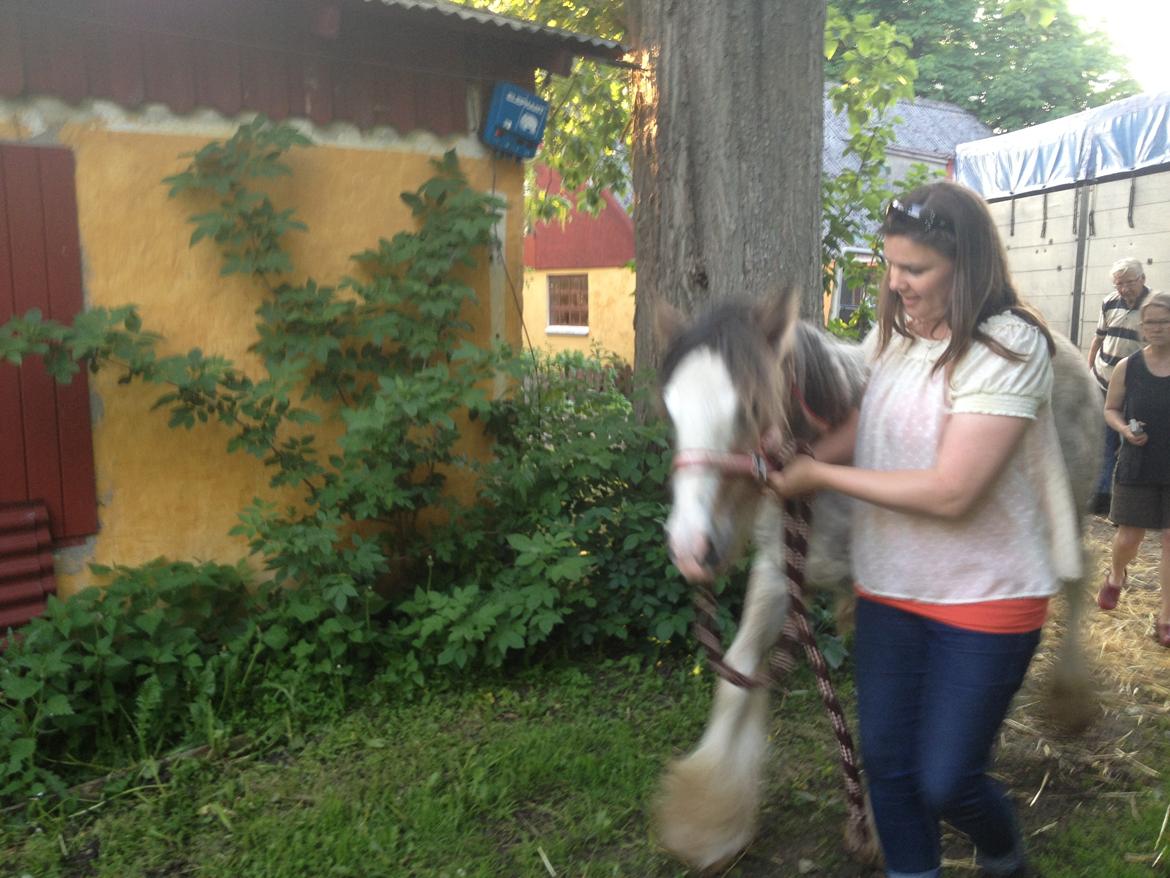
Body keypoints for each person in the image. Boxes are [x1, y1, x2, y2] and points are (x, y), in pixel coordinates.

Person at [768, 180, 1081, 878]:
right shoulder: (900, 336)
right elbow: (867, 416)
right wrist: (790, 460)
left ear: (966, 265)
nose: (895, 283)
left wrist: (818, 480)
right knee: (889, 767)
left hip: (986, 599)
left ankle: (1002, 852)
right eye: (890, 265)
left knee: (947, 781)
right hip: (890, 590)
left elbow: (952, 492)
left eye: (915, 270)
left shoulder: (1010, 345)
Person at [1097, 290, 1170, 648]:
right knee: (1129, 538)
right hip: (1138, 463)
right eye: (1150, 322)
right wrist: (1125, 429)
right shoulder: (1129, 366)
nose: (1156, 328)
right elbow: (1111, 409)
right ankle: (1115, 574)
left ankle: (1166, 617)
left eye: (1163, 321)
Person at [1087, 258, 1150, 514]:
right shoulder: (1109, 302)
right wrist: (1089, 368)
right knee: (1104, 440)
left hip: (1137, 390)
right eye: (1119, 283)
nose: (1123, 289)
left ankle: (1126, 500)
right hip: (1103, 381)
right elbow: (1098, 338)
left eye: (1129, 283)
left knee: (1131, 441)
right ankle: (1102, 496)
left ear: (1142, 279)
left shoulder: (1155, 306)